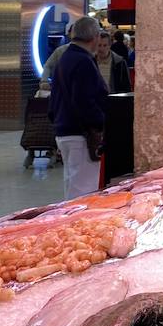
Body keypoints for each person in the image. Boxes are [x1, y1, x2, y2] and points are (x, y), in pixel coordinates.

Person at [50, 16, 107, 200]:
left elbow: (55, 98)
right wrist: (102, 122)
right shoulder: (83, 62)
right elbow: (85, 101)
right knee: (83, 191)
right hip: (81, 135)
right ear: (95, 37)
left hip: (65, 131)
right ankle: (77, 226)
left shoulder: (65, 58)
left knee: (73, 184)